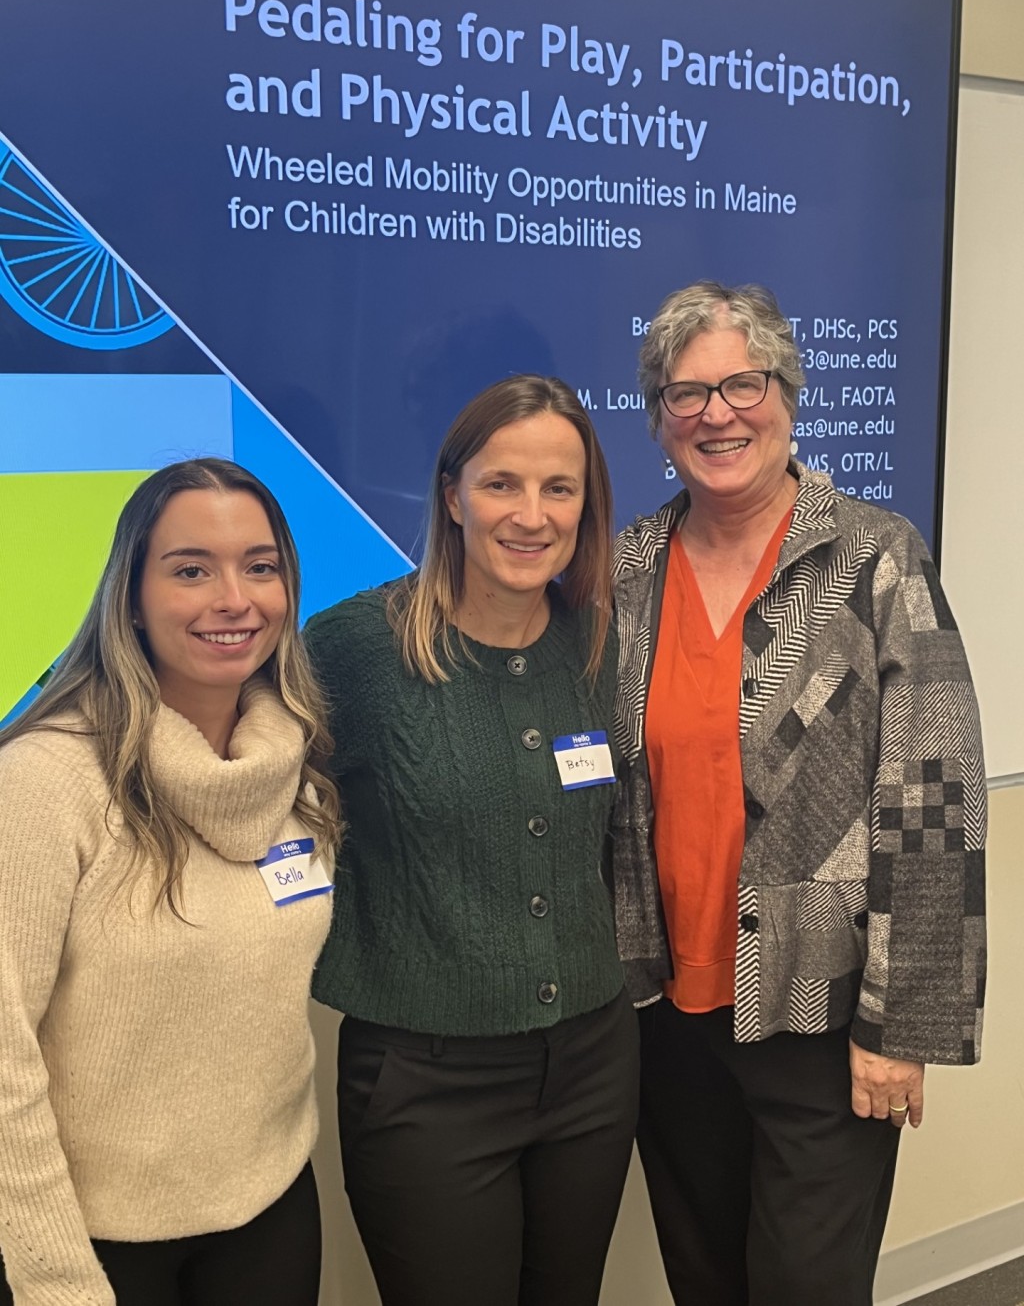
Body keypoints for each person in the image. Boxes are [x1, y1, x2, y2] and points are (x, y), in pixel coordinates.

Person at [611, 282, 987, 1306]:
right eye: (684, 394)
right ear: (657, 420)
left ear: (788, 394)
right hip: (668, 1012)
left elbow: (935, 797)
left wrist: (899, 1030)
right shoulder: (630, 566)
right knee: (704, 1279)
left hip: (821, 1020)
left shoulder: (872, 555)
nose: (716, 413)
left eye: (742, 383)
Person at [306, 375, 638, 1306]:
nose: (531, 515)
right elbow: (243, 789)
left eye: (559, 488)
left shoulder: (601, 643)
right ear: (452, 495)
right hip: (425, 1079)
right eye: (502, 484)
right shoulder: (356, 650)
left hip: (592, 1064)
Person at [0, 458, 342, 1306]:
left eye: (260, 567)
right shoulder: (48, 780)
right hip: (98, 1246)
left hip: (269, 1216)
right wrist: (54, 1276)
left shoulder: (290, 767)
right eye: (192, 569)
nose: (235, 598)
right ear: (132, 596)